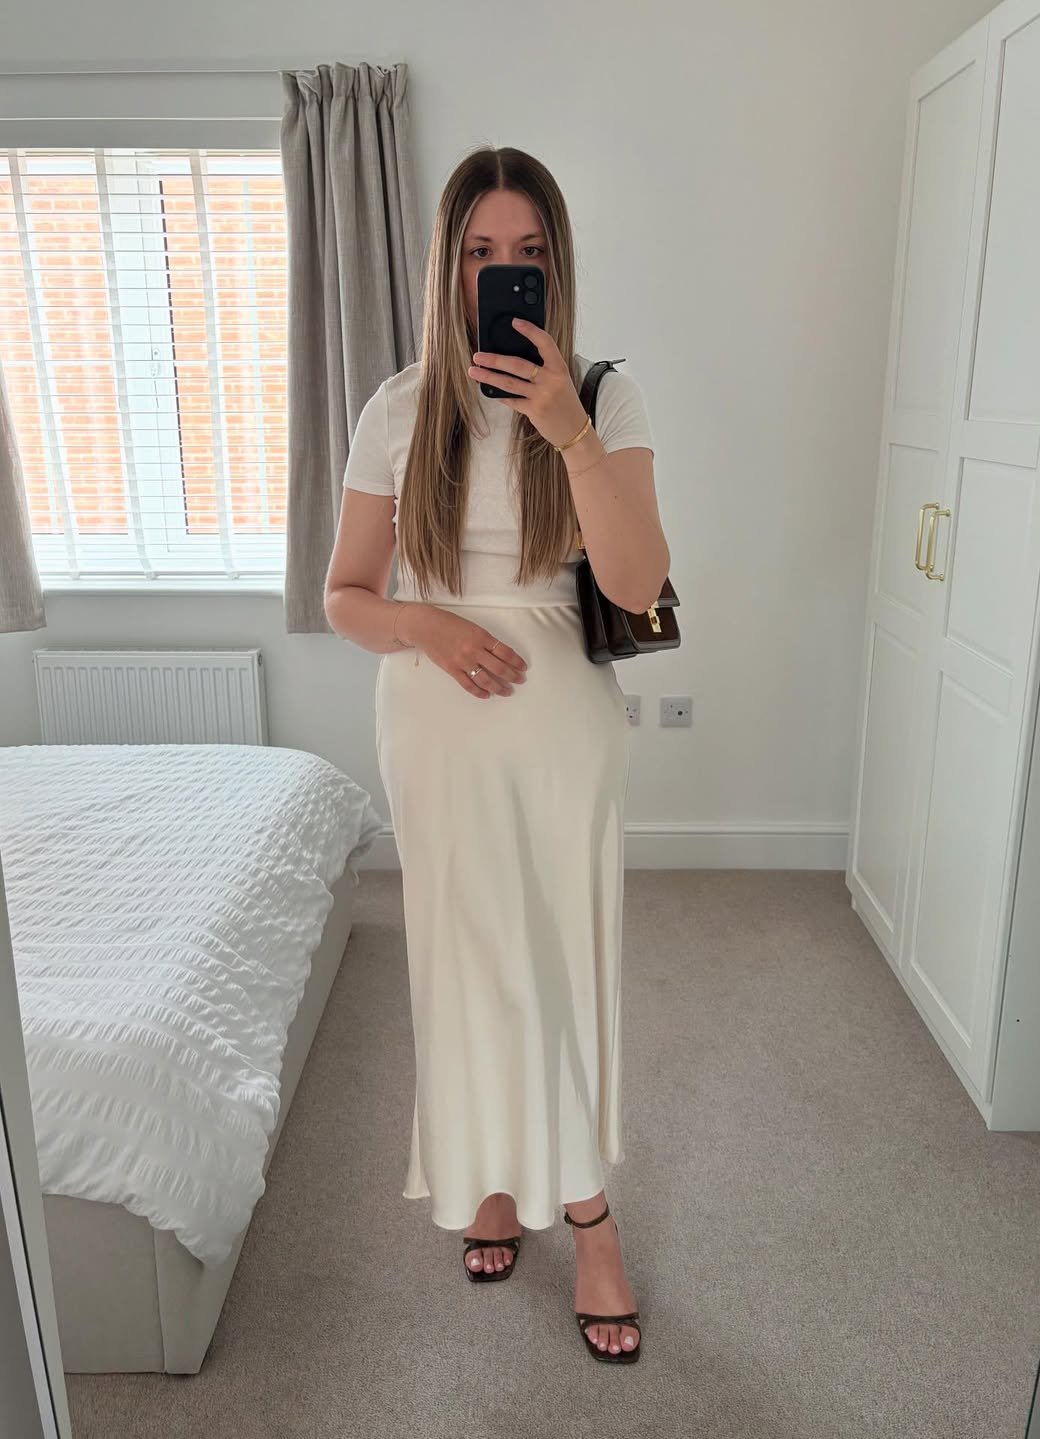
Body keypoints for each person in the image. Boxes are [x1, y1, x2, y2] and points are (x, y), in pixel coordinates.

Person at [324, 145, 670, 1365]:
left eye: (527, 252)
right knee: (465, 963)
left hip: (561, 724)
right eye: (481, 252)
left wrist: (569, 433)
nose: (503, 272)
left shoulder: (603, 398)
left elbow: (638, 581)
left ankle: (589, 1215)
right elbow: (344, 596)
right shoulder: (396, 407)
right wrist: (429, 626)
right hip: (433, 720)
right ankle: (485, 1172)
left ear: (556, 265)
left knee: (558, 963)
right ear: (448, 265)